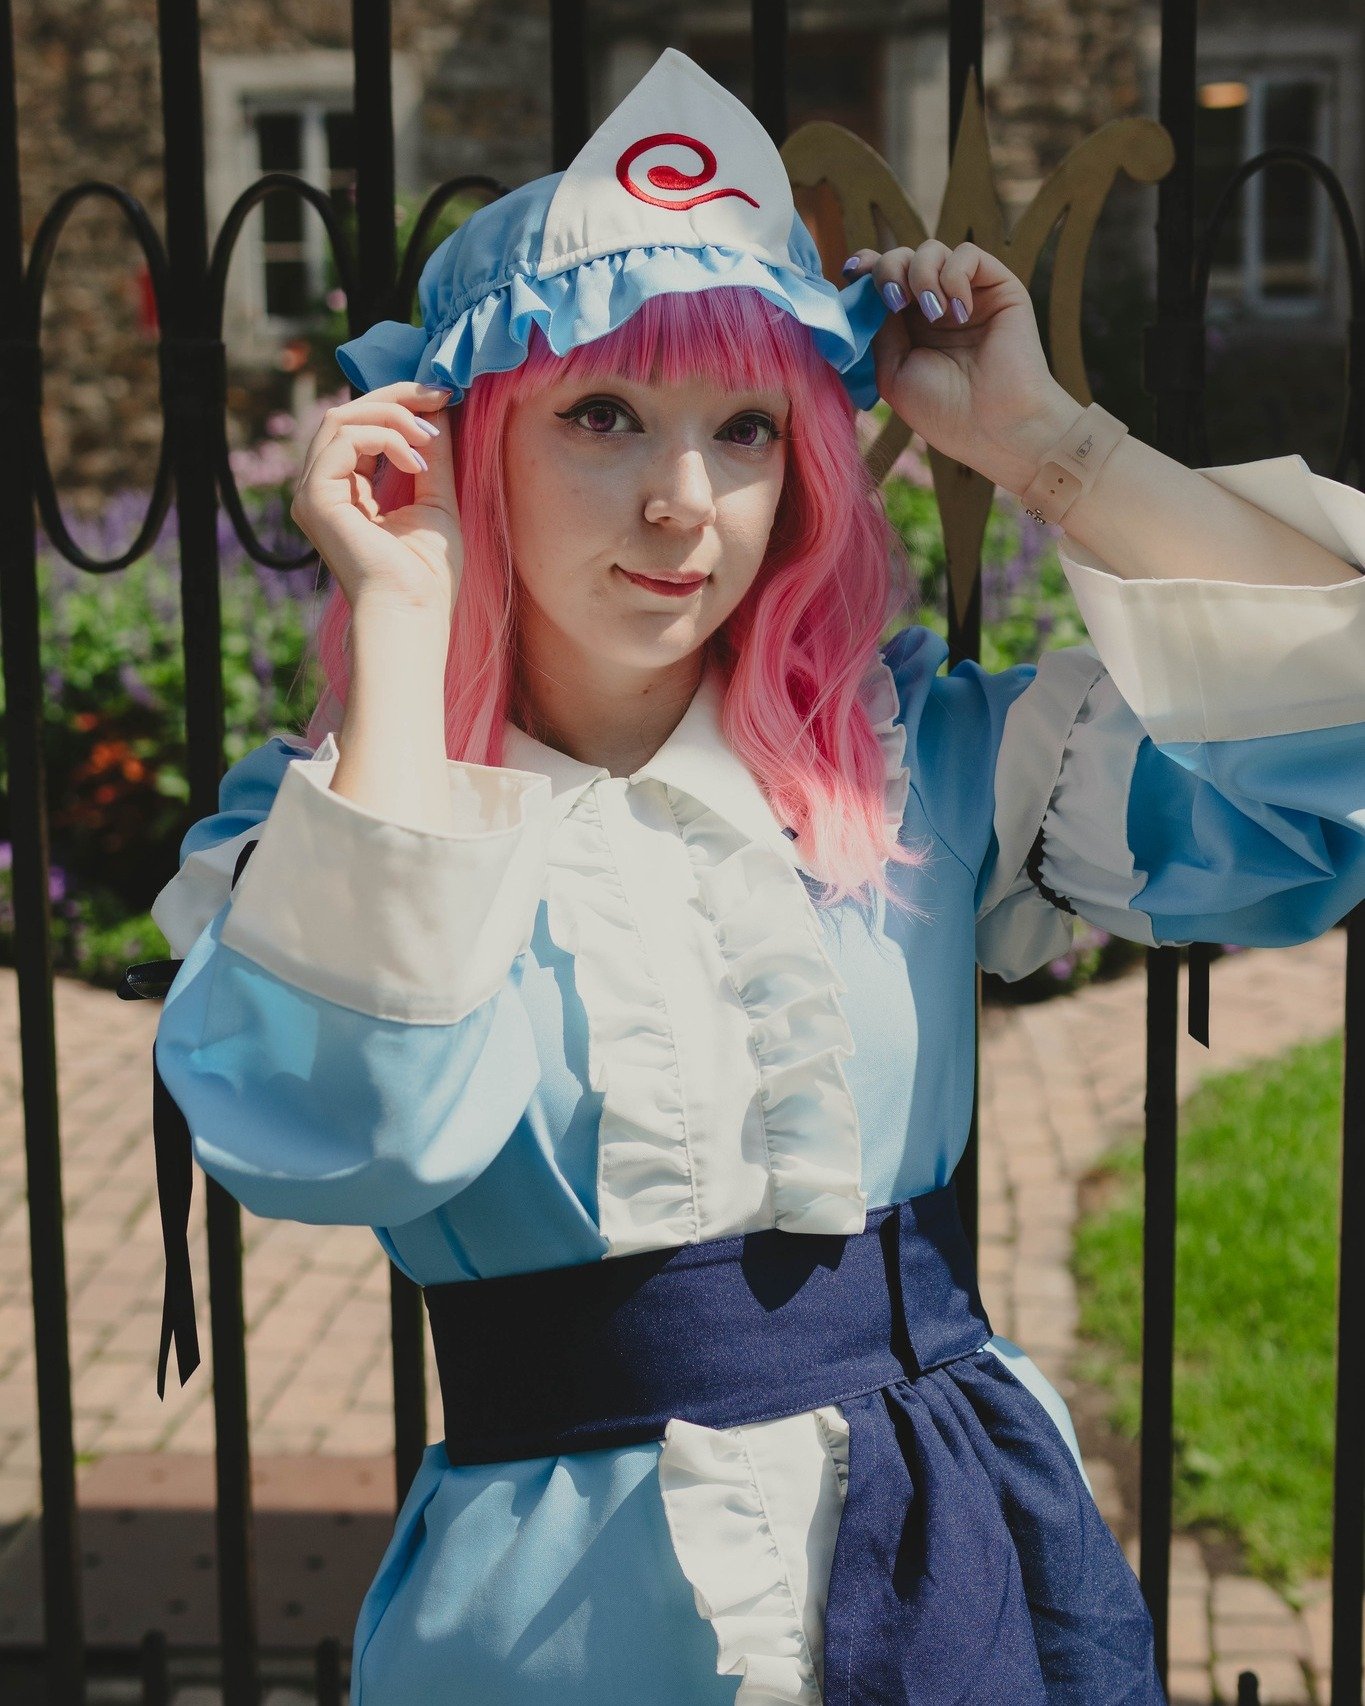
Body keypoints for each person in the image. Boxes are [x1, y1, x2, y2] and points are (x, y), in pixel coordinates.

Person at [145, 47, 1365, 1706]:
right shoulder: (340, 830)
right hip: (566, 1630)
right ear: (465, 437)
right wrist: (408, 616)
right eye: (598, 417)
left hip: (968, 1568)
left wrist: (1047, 443)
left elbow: (1327, 749)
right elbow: (359, 1129)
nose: (682, 502)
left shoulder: (916, 760)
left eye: (745, 429)